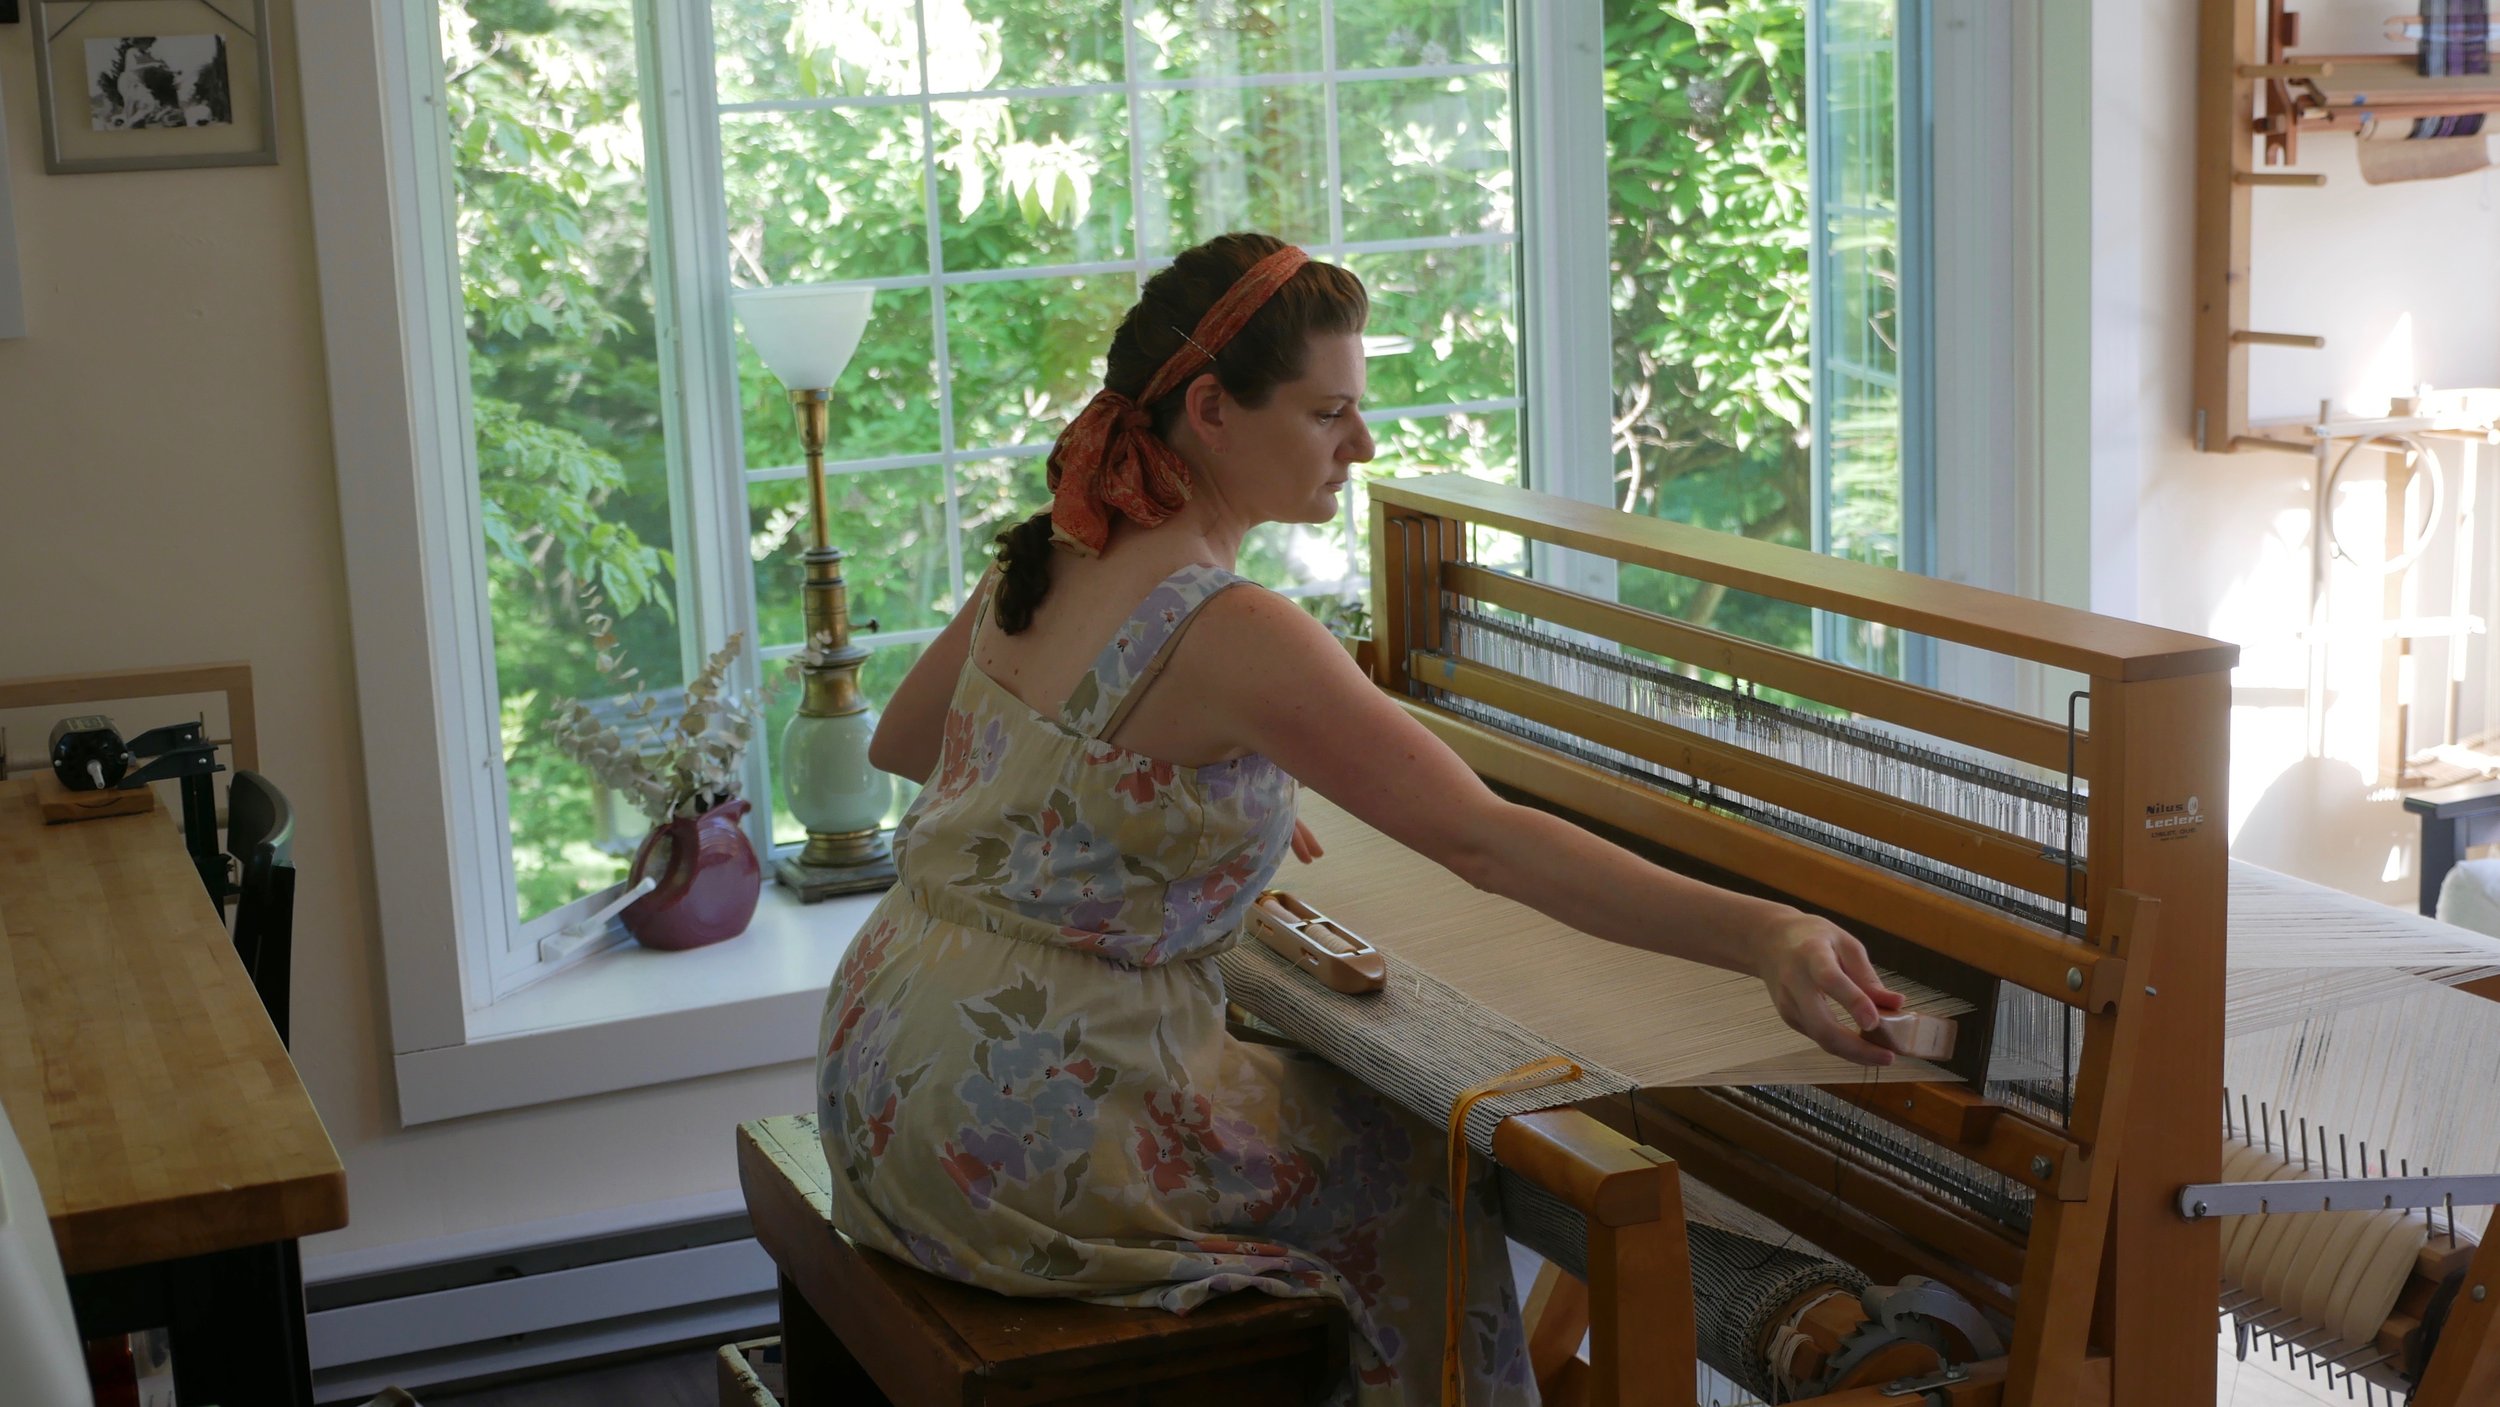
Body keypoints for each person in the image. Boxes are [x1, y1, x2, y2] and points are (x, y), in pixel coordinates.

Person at [816, 231, 1903, 1405]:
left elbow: (914, 746)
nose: (1362, 446)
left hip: (884, 1073)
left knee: (1354, 1100)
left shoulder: (1056, 546)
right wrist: (1766, 935)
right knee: (1421, 1159)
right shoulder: (1232, 624)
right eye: (1328, 411)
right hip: (1031, 1134)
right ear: (1211, 411)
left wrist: (1155, 812)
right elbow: (1487, 843)